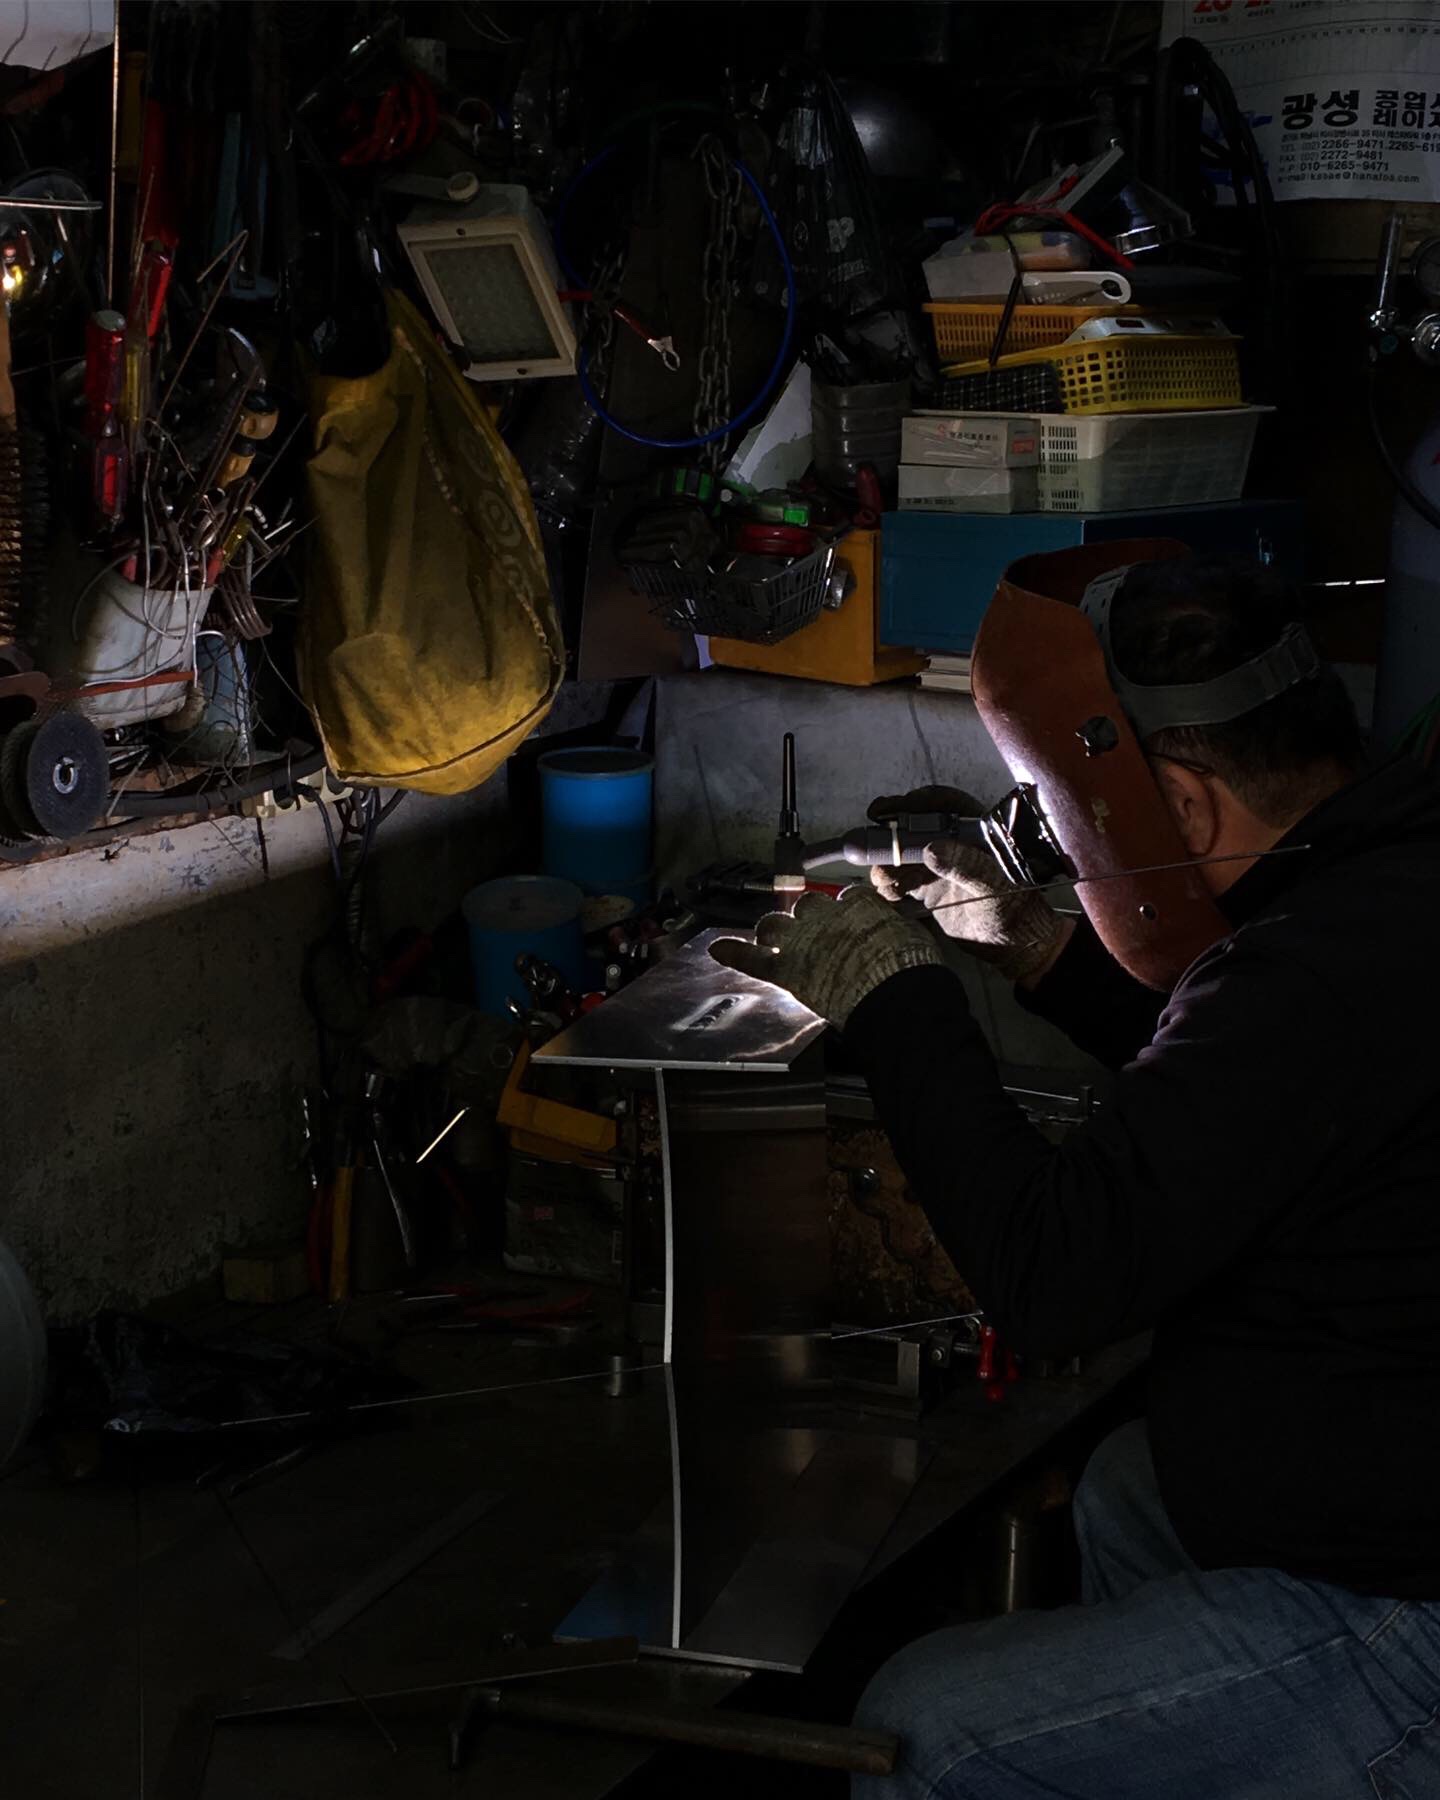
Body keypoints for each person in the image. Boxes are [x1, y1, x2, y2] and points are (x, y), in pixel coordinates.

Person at [710, 555, 1440, 1798]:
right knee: (1126, 1490)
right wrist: (1041, 949)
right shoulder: (1385, 880)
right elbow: (1256, 1100)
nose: (1056, 842)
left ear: (1183, 807)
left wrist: (897, 998)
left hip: (1407, 1613)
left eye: (1063, 816)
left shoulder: (1309, 974)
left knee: (923, 1732)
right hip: (1378, 1476)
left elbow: (1054, 1277)